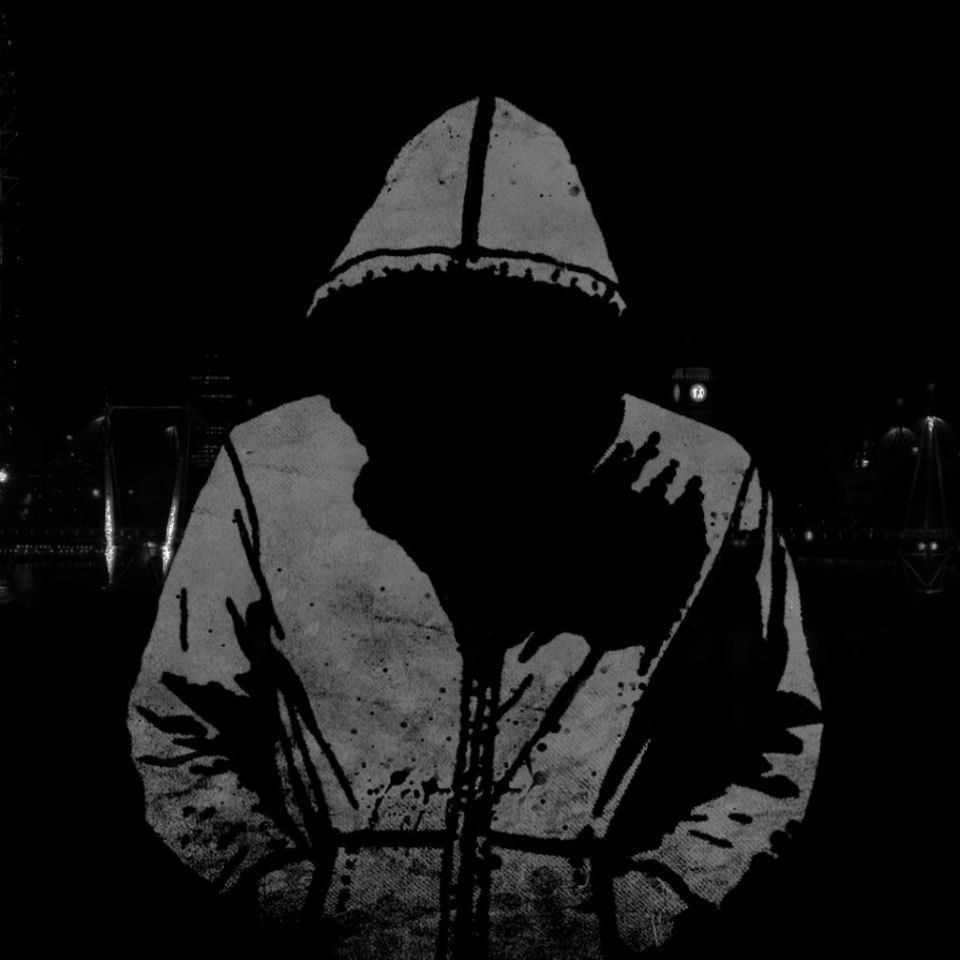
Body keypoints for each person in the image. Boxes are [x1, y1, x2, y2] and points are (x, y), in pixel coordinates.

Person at [128, 96, 822, 957]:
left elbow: (777, 737)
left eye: (516, 337)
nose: (472, 367)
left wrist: (660, 901)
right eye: (435, 327)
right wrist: (274, 889)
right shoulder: (271, 467)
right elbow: (175, 721)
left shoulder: (706, 482)